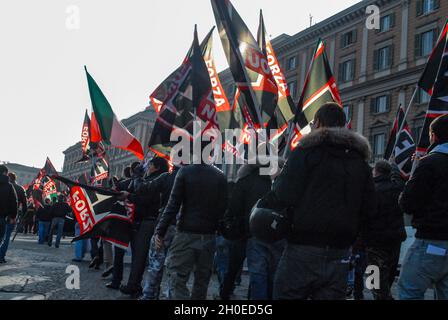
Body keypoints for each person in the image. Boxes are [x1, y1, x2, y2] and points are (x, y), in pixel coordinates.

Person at [259, 102, 376, 300]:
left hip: (303, 247)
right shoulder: (360, 161)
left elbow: (284, 194)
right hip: (340, 251)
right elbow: (370, 208)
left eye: (313, 123)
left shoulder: (305, 152)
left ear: (319, 123)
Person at [154, 160, 228, 300]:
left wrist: (160, 231)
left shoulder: (185, 172)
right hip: (208, 235)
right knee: (202, 279)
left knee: (176, 274)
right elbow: (223, 208)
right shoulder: (220, 175)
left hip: (186, 232)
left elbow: (173, 204)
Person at [398, 115, 448, 300]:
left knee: (409, 291)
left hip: (431, 240)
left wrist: (415, 172)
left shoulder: (429, 163)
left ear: (433, 136)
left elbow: (408, 203)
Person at [221, 160, 282, 300]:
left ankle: (226, 294)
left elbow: (234, 207)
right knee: (267, 273)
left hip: (246, 231)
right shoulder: (280, 182)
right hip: (273, 233)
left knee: (236, 268)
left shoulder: (246, 180)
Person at [119, 158, 169, 298]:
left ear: (157, 167)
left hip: (149, 222)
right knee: (141, 257)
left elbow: (144, 197)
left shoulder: (157, 180)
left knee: (141, 257)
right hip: (146, 221)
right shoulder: (157, 178)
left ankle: (135, 286)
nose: (147, 167)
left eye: (150, 165)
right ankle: (136, 285)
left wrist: (131, 193)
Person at [364, 160, 406, 300]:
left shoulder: (371, 192)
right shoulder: (398, 188)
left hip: (375, 244)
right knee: (387, 278)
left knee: (375, 282)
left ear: (376, 171)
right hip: (395, 241)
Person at [139, 164, 182, 300]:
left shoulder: (167, 177)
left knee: (156, 264)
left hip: (165, 224)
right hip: (182, 228)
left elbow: (143, 189)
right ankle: (170, 296)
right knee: (174, 267)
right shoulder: (193, 177)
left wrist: (138, 176)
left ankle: (149, 295)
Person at [106, 166, 132, 290]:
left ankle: (116, 280)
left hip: (122, 223)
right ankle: (134, 285)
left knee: (119, 254)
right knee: (138, 257)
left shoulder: (122, 184)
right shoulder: (145, 183)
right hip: (138, 223)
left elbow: (111, 197)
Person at [0, 165, 18, 264]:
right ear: (4, 173)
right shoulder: (9, 186)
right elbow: (13, 202)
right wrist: (13, 216)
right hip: (2, 217)